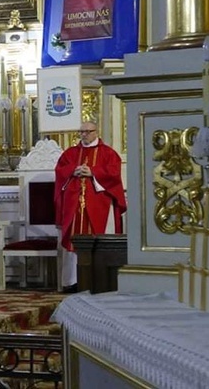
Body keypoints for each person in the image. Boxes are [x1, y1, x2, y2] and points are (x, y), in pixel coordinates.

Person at [54, 121, 127, 293]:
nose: (84, 135)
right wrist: (73, 170)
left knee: (99, 238)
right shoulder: (70, 153)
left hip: (100, 204)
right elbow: (60, 171)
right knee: (74, 240)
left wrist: (93, 172)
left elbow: (114, 174)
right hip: (74, 206)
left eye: (88, 132)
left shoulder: (108, 153)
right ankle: (72, 281)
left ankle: (101, 278)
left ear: (96, 132)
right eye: (81, 132)